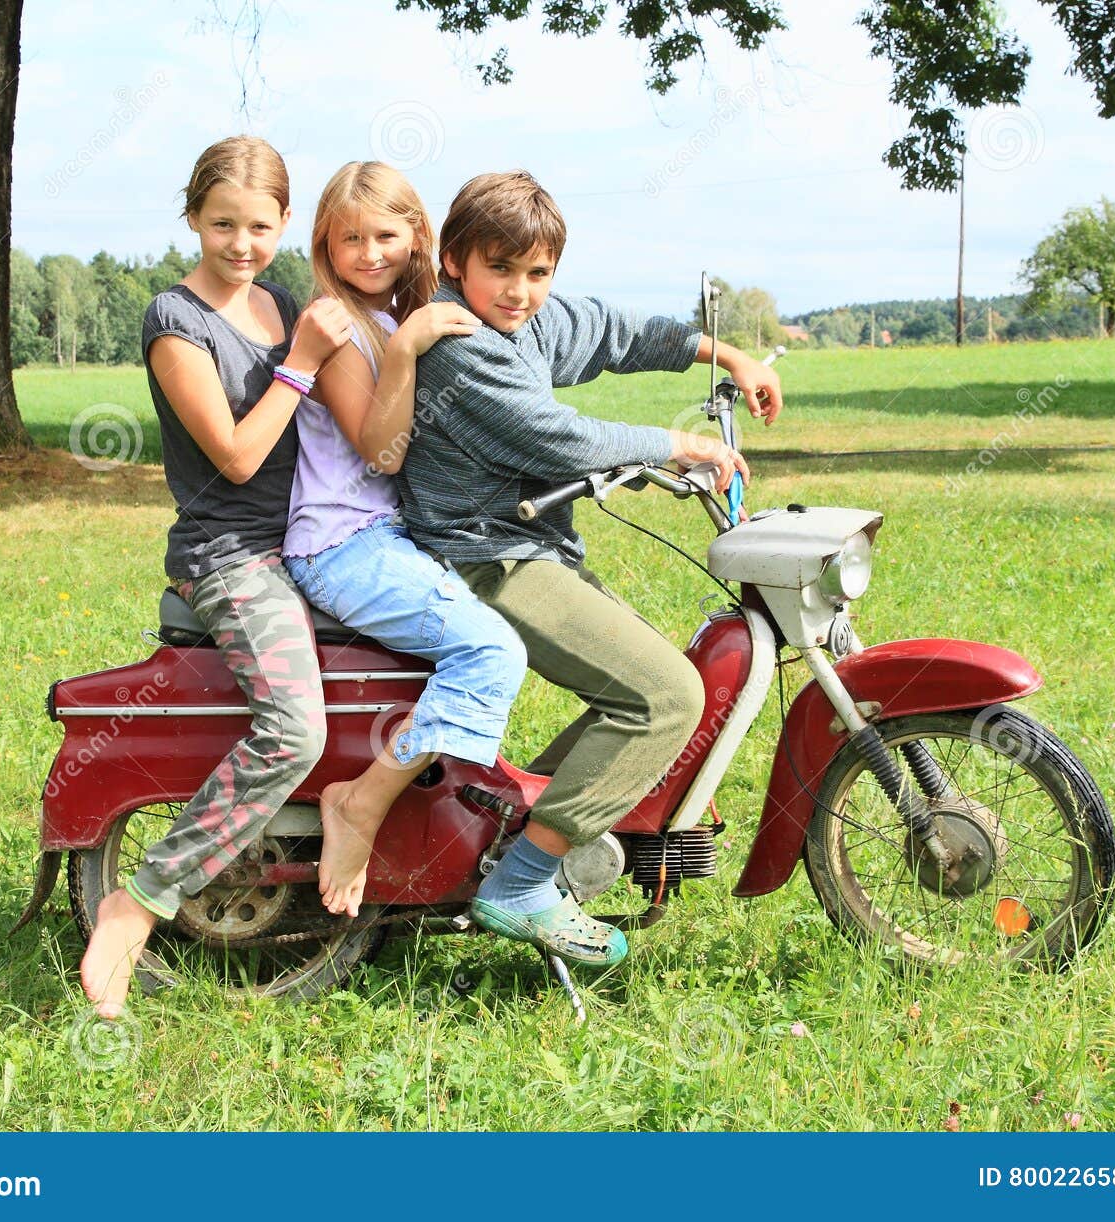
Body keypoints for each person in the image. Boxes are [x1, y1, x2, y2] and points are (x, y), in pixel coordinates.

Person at [397, 170, 783, 968]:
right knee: (667, 695)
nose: (521, 290)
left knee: (643, 689)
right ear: (454, 259)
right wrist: (679, 445)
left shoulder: (526, 321)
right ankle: (522, 881)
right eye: (501, 268)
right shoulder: (459, 345)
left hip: (528, 544)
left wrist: (725, 352)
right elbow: (556, 436)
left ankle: (502, 833)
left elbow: (611, 330)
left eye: (538, 273)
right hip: (483, 557)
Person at [79, 136, 352, 1019]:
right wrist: (301, 361)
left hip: (314, 541)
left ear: (284, 226)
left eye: (261, 226)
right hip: (231, 557)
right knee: (294, 728)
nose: (242, 243)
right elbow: (235, 458)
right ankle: (141, 903)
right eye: (223, 223)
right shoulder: (176, 321)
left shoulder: (280, 303)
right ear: (192, 216)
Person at [283, 161, 527, 919]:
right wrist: (402, 351)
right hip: (341, 544)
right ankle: (360, 804)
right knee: (493, 651)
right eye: (349, 237)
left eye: (385, 234)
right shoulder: (337, 327)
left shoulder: (406, 315)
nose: (368, 252)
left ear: (417, 236)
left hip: (391, 537)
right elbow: (381, 451)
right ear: (326, 242)